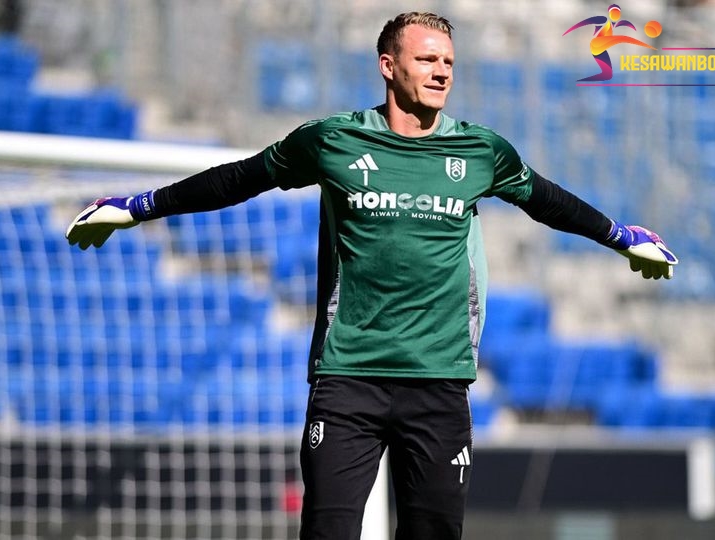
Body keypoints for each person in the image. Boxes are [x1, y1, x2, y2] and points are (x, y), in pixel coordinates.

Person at [65, 11, 678, 540]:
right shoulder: (333, 140)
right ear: (389, 66)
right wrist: (139, 207)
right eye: (427, 59)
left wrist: (621, 237)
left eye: (449, 62)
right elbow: (239, 179)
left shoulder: (481, 151)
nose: (442, 72)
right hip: (348, 379)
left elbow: (549, 201)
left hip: (439, 385)